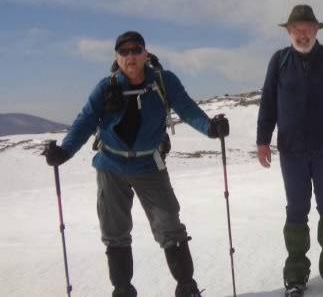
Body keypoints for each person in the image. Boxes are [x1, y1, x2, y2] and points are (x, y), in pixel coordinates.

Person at [42, 31, 230, 296]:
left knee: (169, 226)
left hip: (149, 165)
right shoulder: (106, 87)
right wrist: (65, 151)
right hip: (111, 165)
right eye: (124, 52)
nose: (130, 56)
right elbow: (85, 121)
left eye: (135, 50)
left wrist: (210, 128)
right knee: (114, 231)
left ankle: (186, 287)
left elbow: (186, 109)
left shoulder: (164, 81)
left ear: (145, 53)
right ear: (117, 57)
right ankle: (123, 290)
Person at [256, 5, 323, 297]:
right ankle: (296, 273)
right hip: (292, 151)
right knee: (296, 209)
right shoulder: (279, 61)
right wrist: (263, 140)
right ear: (289, 32)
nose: (302, 34)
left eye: (307, 29)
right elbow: (268, 103)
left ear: (316, 30)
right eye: (297, 30)